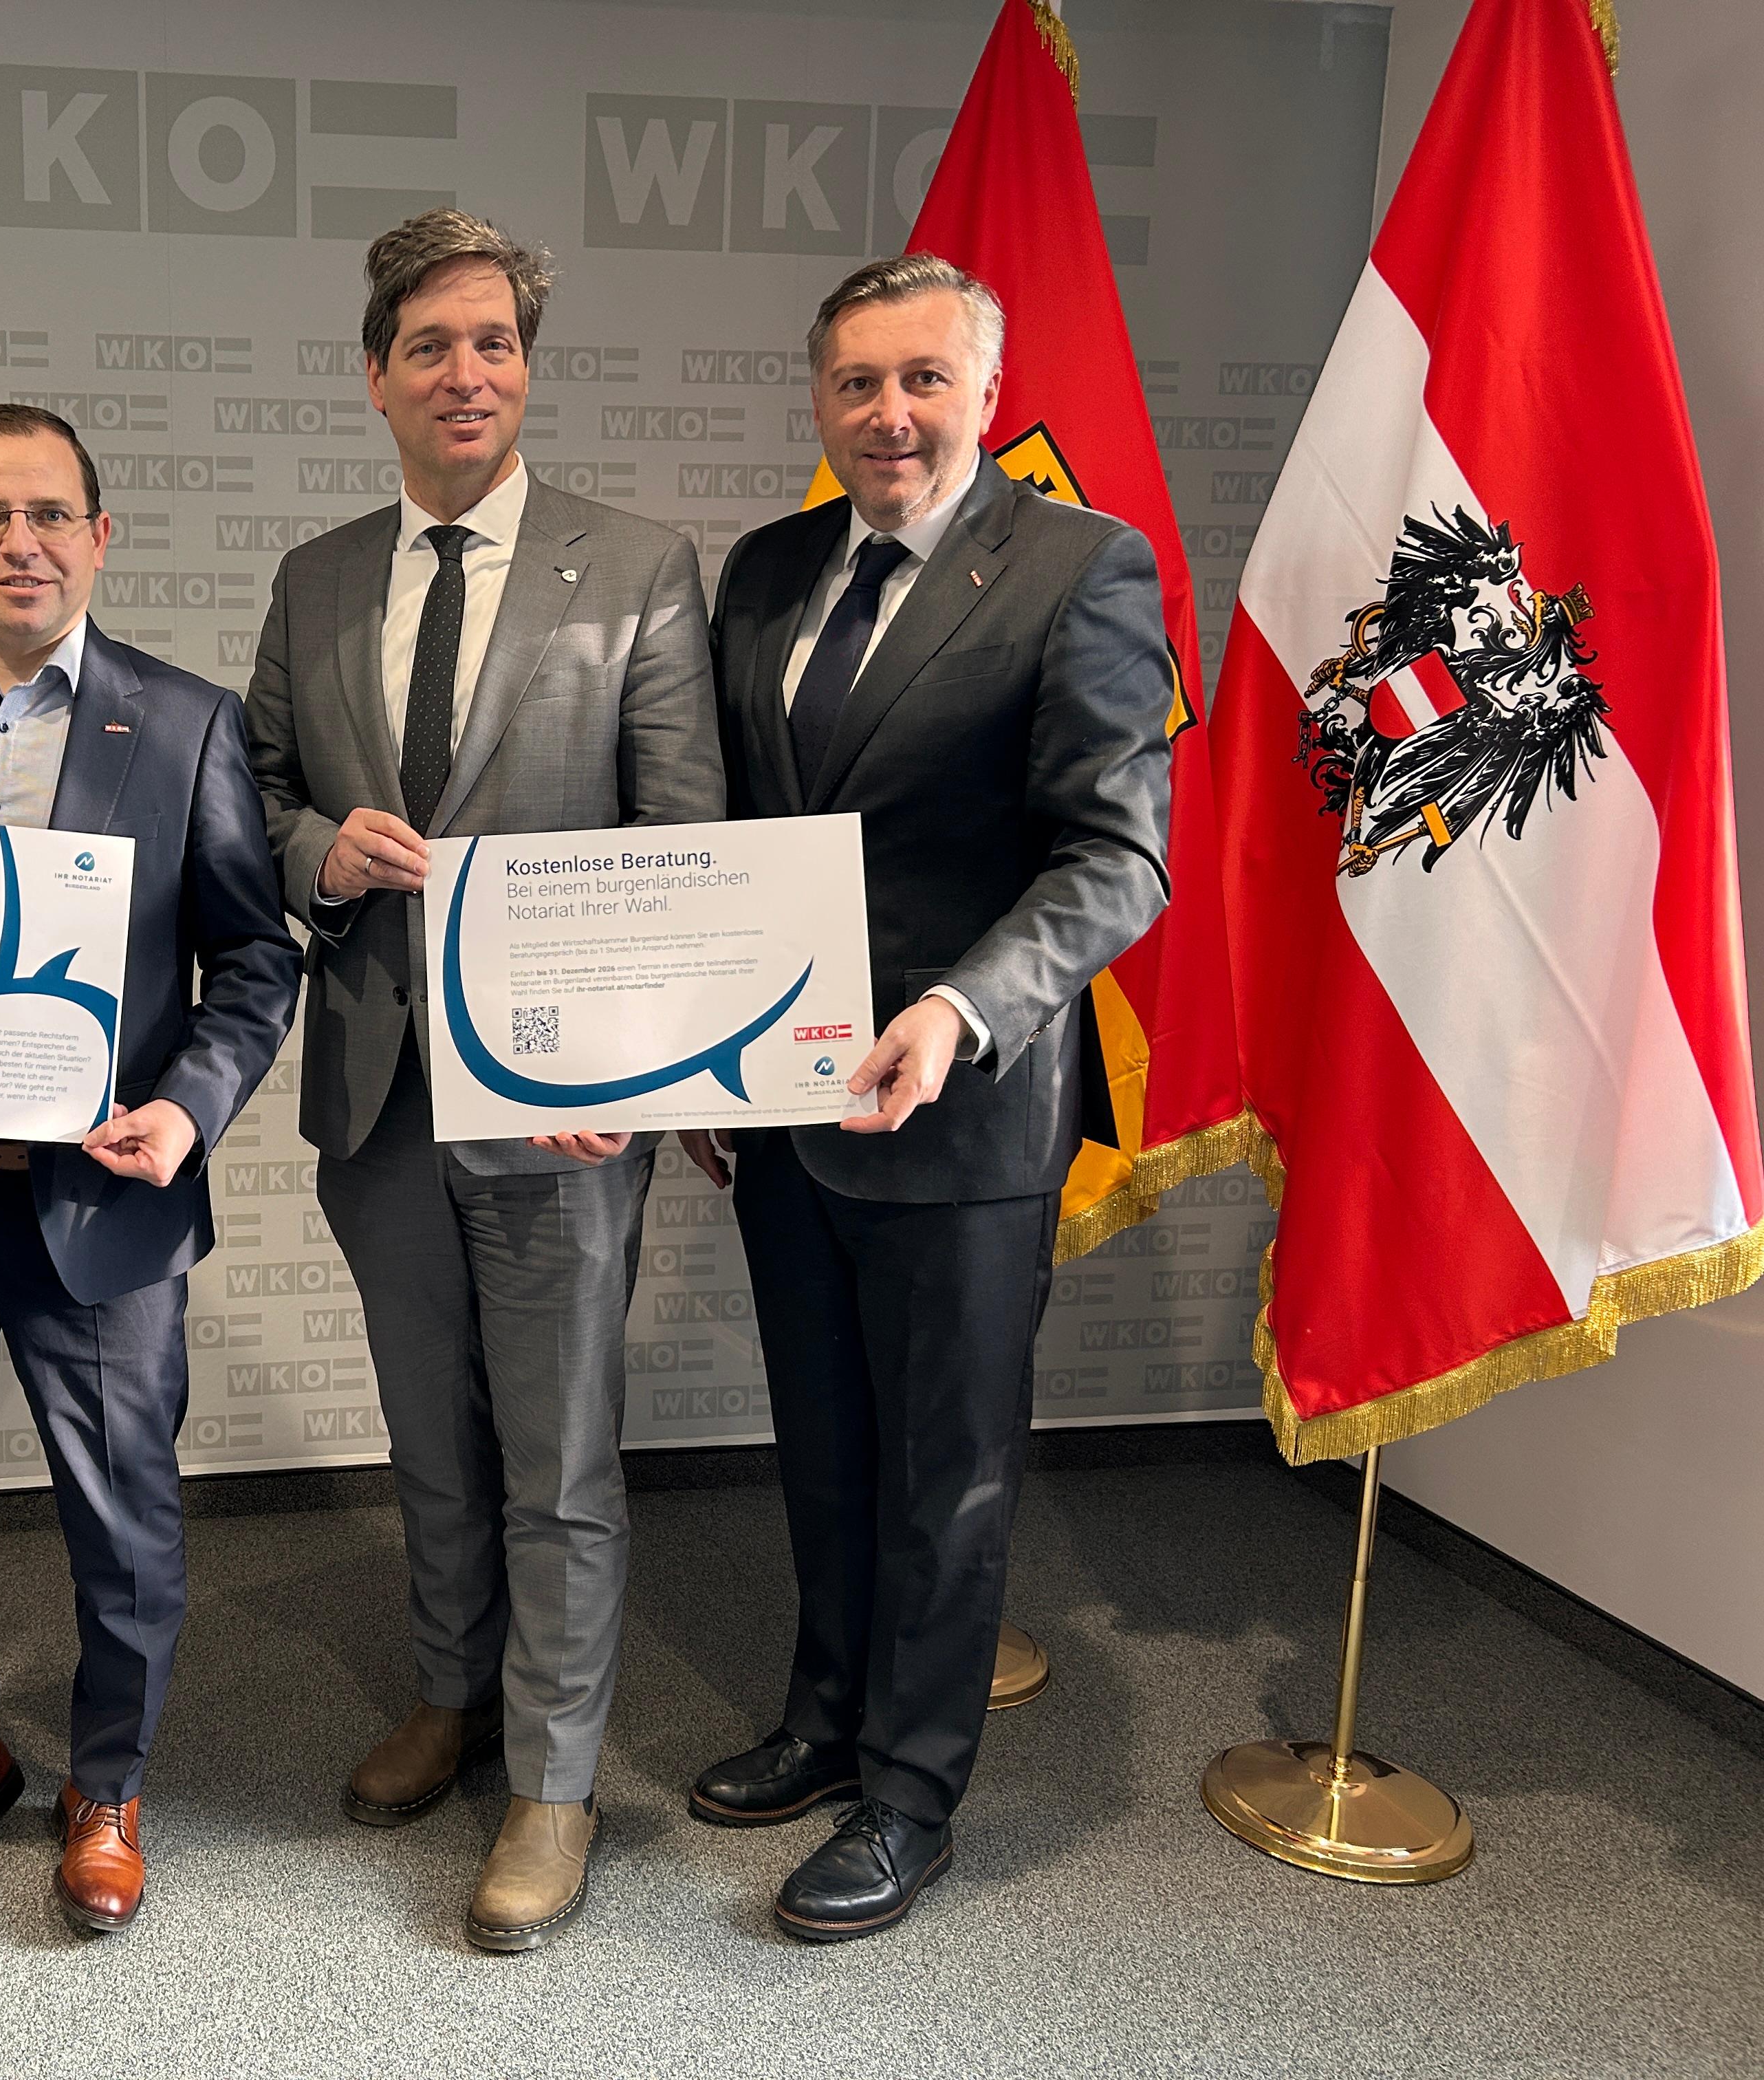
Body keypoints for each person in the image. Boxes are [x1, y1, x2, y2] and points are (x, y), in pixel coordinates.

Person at [243, 209, 726, 1951]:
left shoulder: (639, 566)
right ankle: (453, 1695)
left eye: (496, 344)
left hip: (564, 1107)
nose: (467, 373)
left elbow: (682, 841)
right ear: (376, 376)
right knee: (430, 1436)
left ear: (527, 370)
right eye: (432, 346)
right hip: (378, 1092)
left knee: (561, 1453)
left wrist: (643, 1070)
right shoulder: (314, 580)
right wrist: (317, 848)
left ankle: (554, 1778)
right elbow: (254, 798)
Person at [682, 252, 1172, 1941]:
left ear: (985, 392)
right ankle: (826, 1718)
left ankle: (910, 1792)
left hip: (965, 1114)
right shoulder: (765, 572)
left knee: (947, 1474)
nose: (888, 415)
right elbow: (737, 840)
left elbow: (1118, 856)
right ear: (819, 402)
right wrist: (699, 1054)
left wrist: (965, 1010)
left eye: (923, 380)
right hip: (786, 1111)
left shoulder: (1081, 568)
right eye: (856, 384)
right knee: (823, 1442)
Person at [0, 404, 298, 1938]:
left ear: (100, 535)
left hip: (102, 1194)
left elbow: (257, 960)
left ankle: (109, 1784)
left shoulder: (190, 721)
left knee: (123, 1518)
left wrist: (190, 1113)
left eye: (49, 514)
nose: (19, 542)